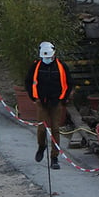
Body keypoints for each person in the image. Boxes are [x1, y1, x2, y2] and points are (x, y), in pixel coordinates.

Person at [24, 41, 74, 170]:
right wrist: (33, 97)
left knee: (55, 129)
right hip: (41, 102)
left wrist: (64, 99)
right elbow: (28, 81)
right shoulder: (36, 66)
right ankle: (41, 146)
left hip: (56, 102)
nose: (46, 59)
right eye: (44, 57)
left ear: (53, 54)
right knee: (41, 128)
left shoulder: (61, 66)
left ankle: (54, 157)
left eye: (48, 57)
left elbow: (69, 83)